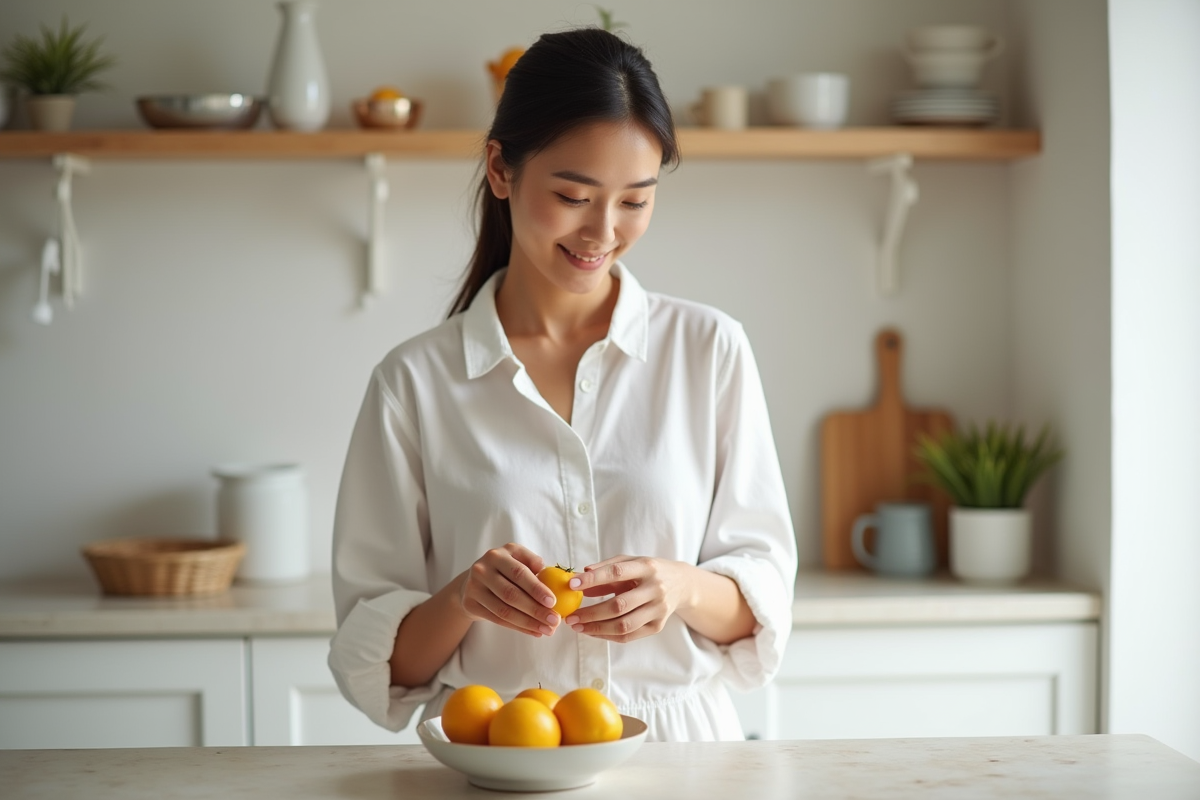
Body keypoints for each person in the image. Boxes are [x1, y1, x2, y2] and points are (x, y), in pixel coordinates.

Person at [328, 26, 797, 743]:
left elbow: (760, 607)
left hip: (684, 763)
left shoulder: (709, 350)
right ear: (500, 170)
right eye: (574, 195)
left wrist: (680, 587)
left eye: (635, 201)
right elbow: (380, 667)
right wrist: (463, 597)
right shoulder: (413, 383)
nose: (602, 232)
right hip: (496, 760)